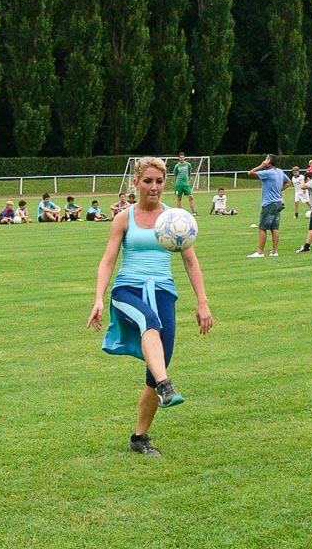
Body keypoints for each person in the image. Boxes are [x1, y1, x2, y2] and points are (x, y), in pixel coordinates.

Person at [86, 156, 212, 456]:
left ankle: (139, 436)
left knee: (156, 367)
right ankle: (166, 385)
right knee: (149, 322)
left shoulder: (175, 218)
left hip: (163, 292)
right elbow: (108, 260)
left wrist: (202, 302)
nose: (154, 187)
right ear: (136, 182)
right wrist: (99, 298)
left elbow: (190, 261)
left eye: (159, 181)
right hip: (127, 290)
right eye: (147, 181)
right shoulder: (123, 218)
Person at [247, 154, 291, 257]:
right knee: (274, 228)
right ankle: (275, 251)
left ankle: (260, 252)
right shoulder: (279, 171)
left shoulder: (268, 173)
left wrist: (261, 166)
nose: (264, 160)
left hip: (269, 204)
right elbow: (288, 182)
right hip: (278, 202)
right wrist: (278, 190)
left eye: (266, 159)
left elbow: (250, 173)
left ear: (269, 163)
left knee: (262, 227)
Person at [173, 151, 197, 216]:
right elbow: (175, 174)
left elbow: (189, 172)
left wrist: (187, 179)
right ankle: (180, 212)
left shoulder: (188, 164)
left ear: (184, 158)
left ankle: (194, 211)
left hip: (186, 184)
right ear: (178, 158)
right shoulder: (176, 166)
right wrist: (176, 182)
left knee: (190, 197)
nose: (182, 159)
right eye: (180, 157)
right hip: (178, 184)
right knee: (179, 198)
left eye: (183, 157)